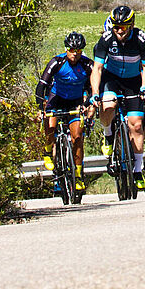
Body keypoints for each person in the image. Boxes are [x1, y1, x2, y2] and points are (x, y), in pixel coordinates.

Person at [89, 6, 145, 191]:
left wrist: (144, 87)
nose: (118, 30)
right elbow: (97, 69)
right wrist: (95, 93)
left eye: (123, 27)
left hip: (133, 81)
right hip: (111, 79)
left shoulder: (141, 39)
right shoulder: (106, 39)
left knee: (137, 125)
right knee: (108, 106)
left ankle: (138, 171)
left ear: (131, 25)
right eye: (116, 26)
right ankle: (108, 135)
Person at [35, 32, 94, 192]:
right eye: (71, 50)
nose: (75, 54)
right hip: (56, 98)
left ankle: (79, 174)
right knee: (50, 126)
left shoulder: (87, 64)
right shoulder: (57, 62)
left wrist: (88, 104)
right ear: (66, 49)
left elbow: (93, 87)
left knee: (77, 138)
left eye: (79, 51)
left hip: (75, 102)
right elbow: (41, 86)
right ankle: (48, 151)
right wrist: (41, 108)